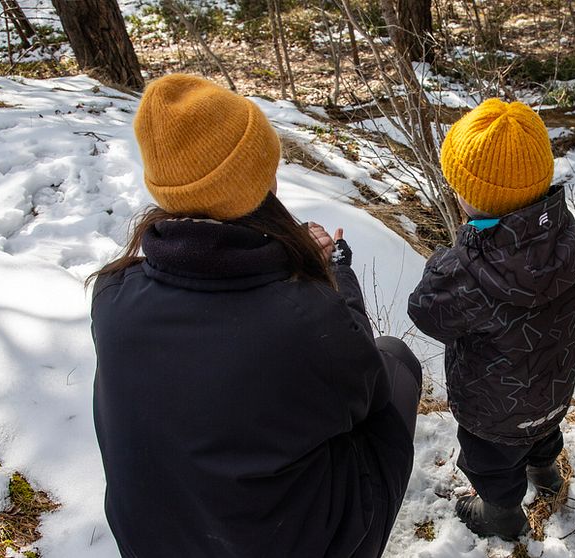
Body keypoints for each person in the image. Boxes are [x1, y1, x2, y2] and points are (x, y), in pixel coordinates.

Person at [89, 74, 422, 558]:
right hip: (286, 541)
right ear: (254, 180)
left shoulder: (113, 291)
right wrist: (330, 276)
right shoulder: (302, 317)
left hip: (155, 539)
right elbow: (363, 394)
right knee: (395, 361)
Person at [407, 98, 575, 541]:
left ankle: (502, 515)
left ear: (476, 197)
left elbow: (425, 312)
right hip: (553, 385)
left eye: (460, 187)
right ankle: (547, 474)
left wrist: (447, 258)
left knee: (493, 463)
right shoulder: (563, 233)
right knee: (543, 433)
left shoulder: (465, 271)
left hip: (493, 410)